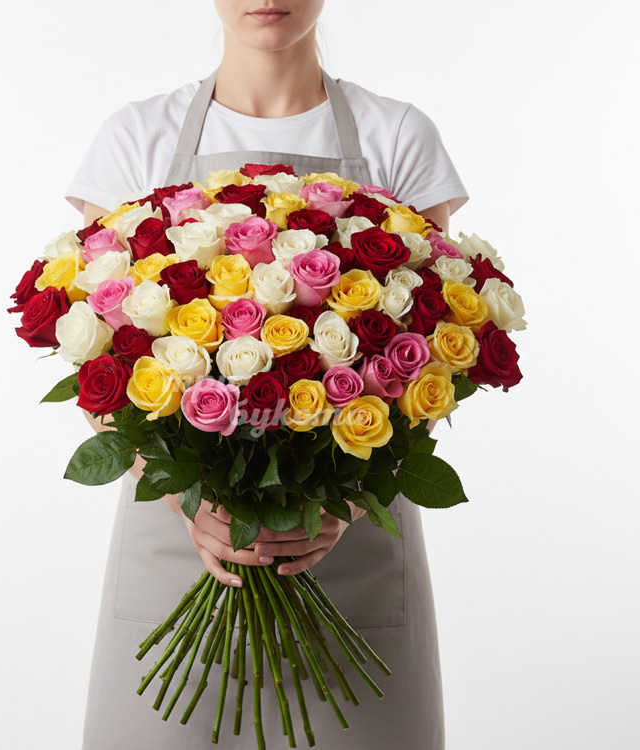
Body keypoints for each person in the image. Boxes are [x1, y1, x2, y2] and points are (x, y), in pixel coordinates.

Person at [64, 2, 468, 748]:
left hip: (351, 548)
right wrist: (192, 504)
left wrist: (343, 508)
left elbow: (437, 351)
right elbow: (98, 363)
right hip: (180, 543)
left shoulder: (396, 135)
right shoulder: (138, 137)